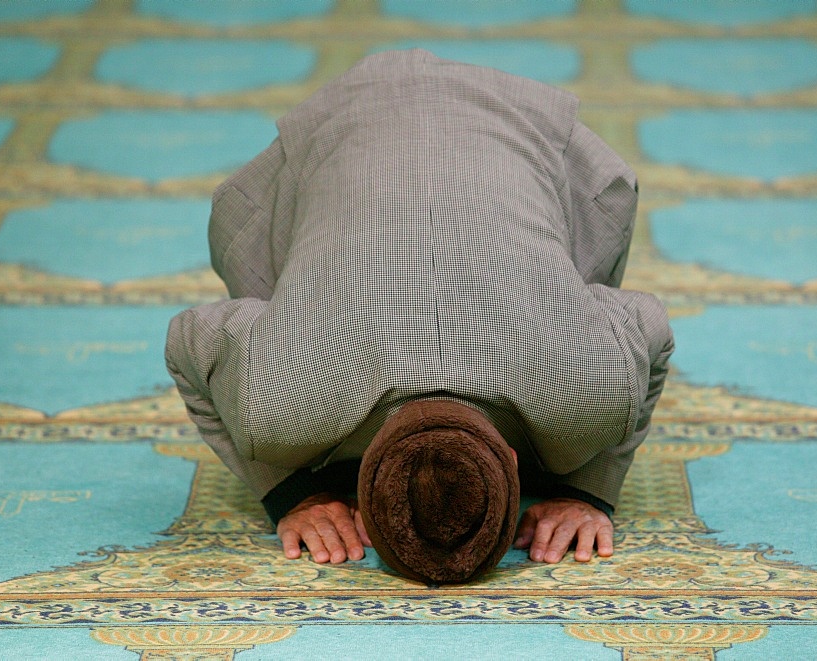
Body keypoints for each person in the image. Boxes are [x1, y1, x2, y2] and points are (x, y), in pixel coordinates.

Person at [165, 49, 673, 584]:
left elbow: (186, 339)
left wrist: (584, 490)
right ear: (514, 463)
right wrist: (293, 492)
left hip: (528, 127)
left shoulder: (586, 389)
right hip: (340, 126)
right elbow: (185, 343)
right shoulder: (281, 400)